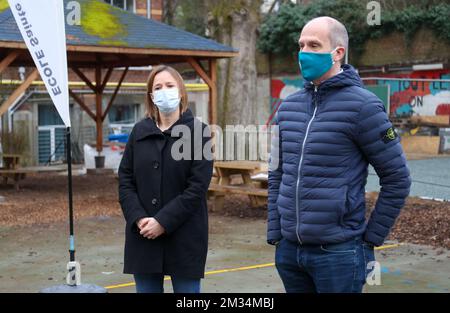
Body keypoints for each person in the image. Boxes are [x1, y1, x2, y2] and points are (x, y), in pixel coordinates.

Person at [267, 16, 412, 293]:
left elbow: (397, 178)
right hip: (289, 254)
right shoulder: (287, 108)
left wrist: (370, 239)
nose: (304, 53)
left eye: (314, 45)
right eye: (301, 45)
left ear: (338, 52)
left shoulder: (364, 107)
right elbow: (276, 173)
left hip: (339, 254)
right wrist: (276, 234)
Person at [118, 65, 213, 293]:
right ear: (151, 96)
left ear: (181, 91)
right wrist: (138, 217)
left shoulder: (199, 133)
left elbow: (197, 187)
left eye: (170, 86)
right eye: (158, 87)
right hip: (143, 236)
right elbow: (125, 179)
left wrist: (163, 222)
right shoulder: (139, 131)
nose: (164, 91)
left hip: (185, 236)